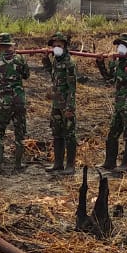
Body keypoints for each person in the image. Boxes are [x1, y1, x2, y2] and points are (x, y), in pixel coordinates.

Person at [0, 32, 32, 173]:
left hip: (4, 102)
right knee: (20, 132)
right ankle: (18, 164)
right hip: (19, 101)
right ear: (10, 45)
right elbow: (26, 75)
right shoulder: (20, 59)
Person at [95, 33, 127, 172]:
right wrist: (100, 63)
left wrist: (112, 62)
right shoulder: (119, 61)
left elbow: (122, 77)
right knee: (112, 134)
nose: (119, 48)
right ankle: (109, 162)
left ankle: (125, 165)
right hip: (119, 103)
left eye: (123, 45)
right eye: (118, 45)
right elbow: (109, 78)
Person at [41, 31, 78, 174]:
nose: (56, 47)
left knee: (69, 134)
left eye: (59, 45)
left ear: (65, 46)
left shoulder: (69, 63)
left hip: (66, 104)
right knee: (57, 133)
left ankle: (70, 165)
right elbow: (52, 75)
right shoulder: (56, 60)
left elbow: (72, 88)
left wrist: (70, 107)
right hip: (56, 103)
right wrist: (45, 60)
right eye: (54, 45)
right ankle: (58, 163)